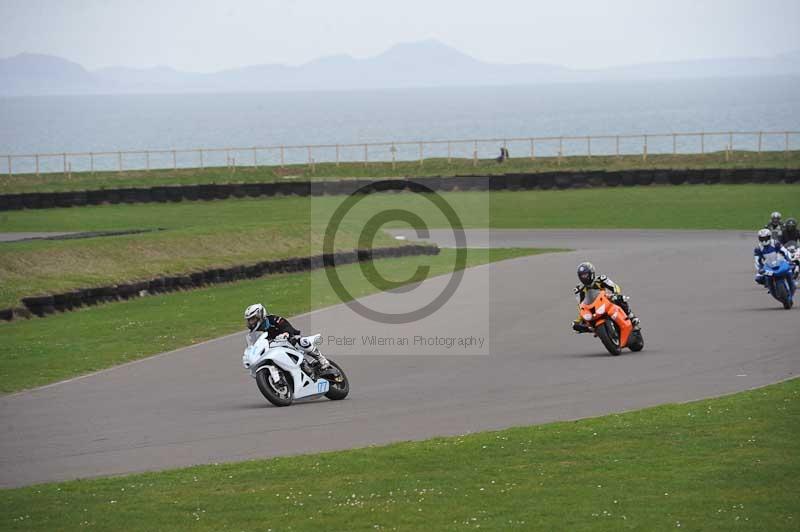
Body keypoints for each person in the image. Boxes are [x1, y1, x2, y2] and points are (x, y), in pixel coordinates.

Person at [244, 303, 330, 369]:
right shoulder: (254, 333)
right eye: (249, 320)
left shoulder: (273, 319)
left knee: (300, 341)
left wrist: (286, 333)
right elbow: (254, 346)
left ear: (260, 315)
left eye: (253, 319)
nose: (251, 322)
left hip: (288, 339)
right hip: (274, 349)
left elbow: (286, 326)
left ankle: (321, 359)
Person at [571, 262, 639, 333]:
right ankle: (593, 329)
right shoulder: (578, 289)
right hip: (591, 307)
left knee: (620, 299)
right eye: (582, 276)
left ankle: (631, 317)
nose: (584, 277)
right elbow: (580, 303)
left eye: (585, 275)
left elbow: (614, 286)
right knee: (575, 325)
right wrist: (581, 314)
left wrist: (615, 294)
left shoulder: (601, 279)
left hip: (605, 300)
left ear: (591, 273)